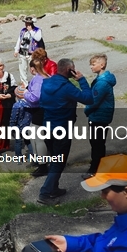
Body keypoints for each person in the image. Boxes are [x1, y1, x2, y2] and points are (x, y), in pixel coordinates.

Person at [38, 58, 94, 204]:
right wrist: (81, 80)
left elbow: (42, 103)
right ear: (70, 70)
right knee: (59, 162)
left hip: (46, 127)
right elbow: (88, 99)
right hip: (61, 128)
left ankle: (54, 188)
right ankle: (45, 193)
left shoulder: (46, 83)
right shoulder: (67, 87)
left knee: (54, 159)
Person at [83, 54, 116, 176]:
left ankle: (95, 169)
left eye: (93, 64)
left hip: (99, 117)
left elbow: (94, 101)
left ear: (102, 65)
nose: (91, 67)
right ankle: (98, 167)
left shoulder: (102, 83)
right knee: (97, 143)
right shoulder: (100, 80)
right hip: (100, 116)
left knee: (97, 144)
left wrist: (86, 110)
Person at [25, 58, 50, 175]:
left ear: (32, 69)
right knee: (36, 135)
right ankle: (40, 160)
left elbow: (35, 97)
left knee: (38, 138)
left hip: (39, 110)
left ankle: (42, 165)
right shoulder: (47, 76)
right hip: (46, 110)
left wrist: (24, 93)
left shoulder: (38, 79)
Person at [14, 16, 45, 84]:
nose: (26, 25)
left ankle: (36, 82)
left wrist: (31, 31)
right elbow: (19, 40)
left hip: (32, 54)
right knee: (22, 69)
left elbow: (38, 38)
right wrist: (16, 50)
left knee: (34, 68)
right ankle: (24, 84)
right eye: (26, 23)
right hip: (22, 52)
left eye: (28, 23)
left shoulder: (37, 30)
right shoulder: (23, 30)